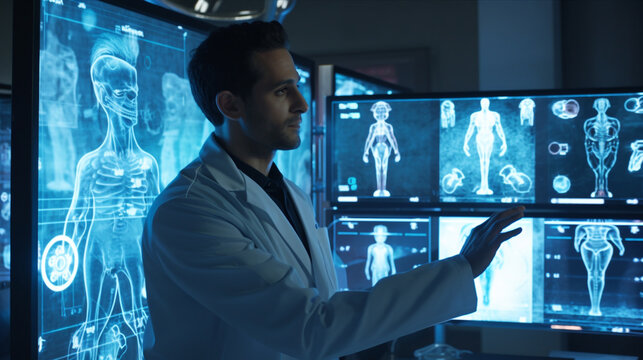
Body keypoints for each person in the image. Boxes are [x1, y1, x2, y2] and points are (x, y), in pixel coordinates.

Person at [141, 20, 525, 360]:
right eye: (281, 91)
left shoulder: (289, 192)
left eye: (297, 86)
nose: (302, 104)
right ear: (230, 104)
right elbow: (313, 328)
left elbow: (324, 305)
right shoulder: (188, 212)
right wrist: (463, 267)